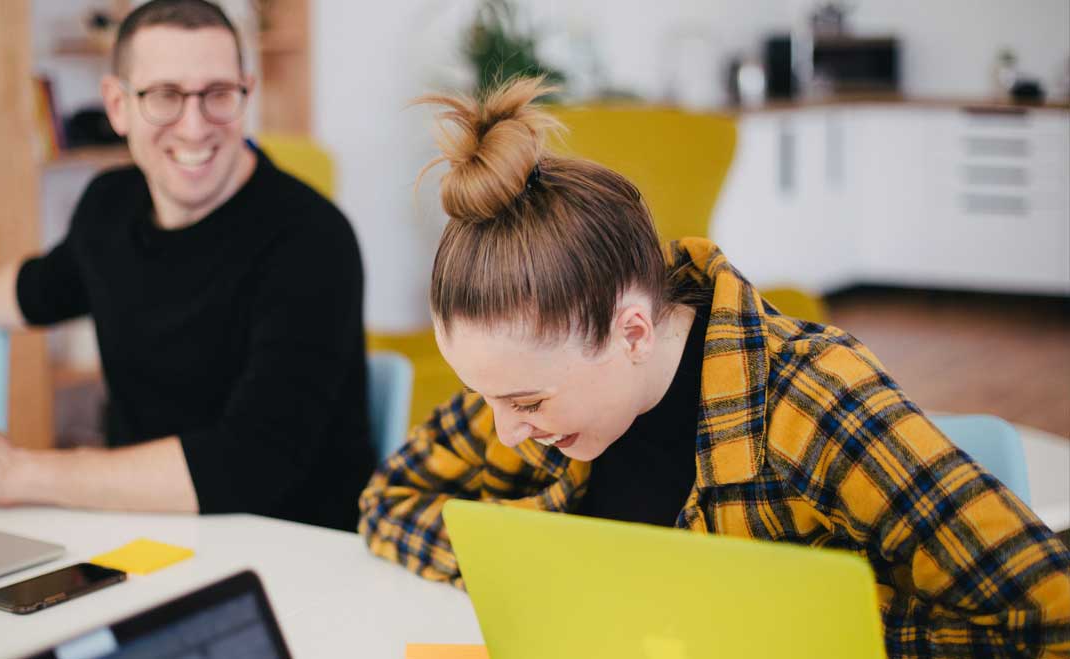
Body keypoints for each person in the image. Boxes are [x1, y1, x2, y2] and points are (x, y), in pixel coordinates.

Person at [358, 77, 1070, 656]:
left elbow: (1046, 614)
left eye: (527, 402)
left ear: (631, 329)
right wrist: (550, 574)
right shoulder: (532, 396)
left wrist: (794, 626)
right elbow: (388, 502)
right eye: (485, 397)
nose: (506, 431)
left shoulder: (812, 399)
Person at [0, 0, 373, 531]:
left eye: (218, 95)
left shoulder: (312, 239)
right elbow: (38, 288)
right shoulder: (109, 205)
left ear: (246, 94)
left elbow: (250, 463)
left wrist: (18, 473)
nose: (194, 128)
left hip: (293, 551)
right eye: (164, 96)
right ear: (117, 105)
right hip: (141, 530)